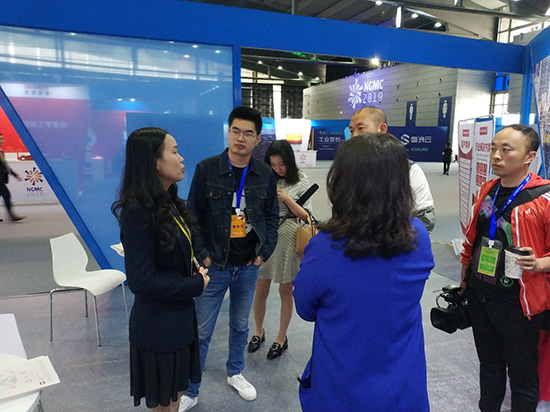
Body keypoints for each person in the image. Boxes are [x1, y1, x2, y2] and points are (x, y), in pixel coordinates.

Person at [293, 133, 434, 412]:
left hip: (340, 391)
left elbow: (305, 309)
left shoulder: (325, 246)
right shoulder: (417, 235)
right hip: (403, 388)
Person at [180, 106, 279, 411]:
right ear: (229, 132)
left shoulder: (264, 174)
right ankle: (191, 388)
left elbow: (272, 217)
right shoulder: (207, 169)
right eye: (235, 131)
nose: (240, 138)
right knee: (201, 329)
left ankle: (235, 372)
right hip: (215, 266)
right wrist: (203, 256)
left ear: (257, 139)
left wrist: (263, 254)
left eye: (248, 133)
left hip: (248, 266)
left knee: (240, 325)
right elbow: (192, 216)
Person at [112, 127, 210, 412]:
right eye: (175, 152)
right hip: (158, 327)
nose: (181, 159)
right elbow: (141, 282)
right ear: (155, 161)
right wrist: (195, 285)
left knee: (175, 395)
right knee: (163, 402)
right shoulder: (137, 213)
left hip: (179, 319)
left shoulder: (168, 202)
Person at [460, 124, 550, 412]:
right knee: (489, 368)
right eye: (493, 149)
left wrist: (539, 263)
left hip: (519, 304)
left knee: (523, 376)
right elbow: (473, 238)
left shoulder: (544, 198)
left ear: (529, 157)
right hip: (481, 295)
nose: (496, 156)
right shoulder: (487, 189)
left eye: (506, 150)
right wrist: (465, 280)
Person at [248, 140, 311, 360]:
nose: (277, 169)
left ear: (289, 162)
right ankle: (258, 331)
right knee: (260, 288)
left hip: (288, 238)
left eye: (281, 164)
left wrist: (286, 199)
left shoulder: (301, 180)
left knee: (285, 291)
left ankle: (281, 337)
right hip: (266, 238)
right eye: (273, 164)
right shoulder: (265, 177)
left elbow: (307, 216)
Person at [348, 106, 435, 232]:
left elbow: (426, 220)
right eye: (351, 130)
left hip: (397, 241)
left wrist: (385, 236)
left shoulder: (408, 171)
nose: (354, 136)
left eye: (361, 128)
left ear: (382, 129)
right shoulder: (349, 169)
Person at [0, 133, 25, 222]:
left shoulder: (1, 151)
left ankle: (12, 216)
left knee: (6, 195)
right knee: (7, 195)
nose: (2, 140)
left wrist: (15, 175)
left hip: (2, 178)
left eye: (2, 139)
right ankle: (12, 216)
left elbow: (5, 166)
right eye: (0, 139)